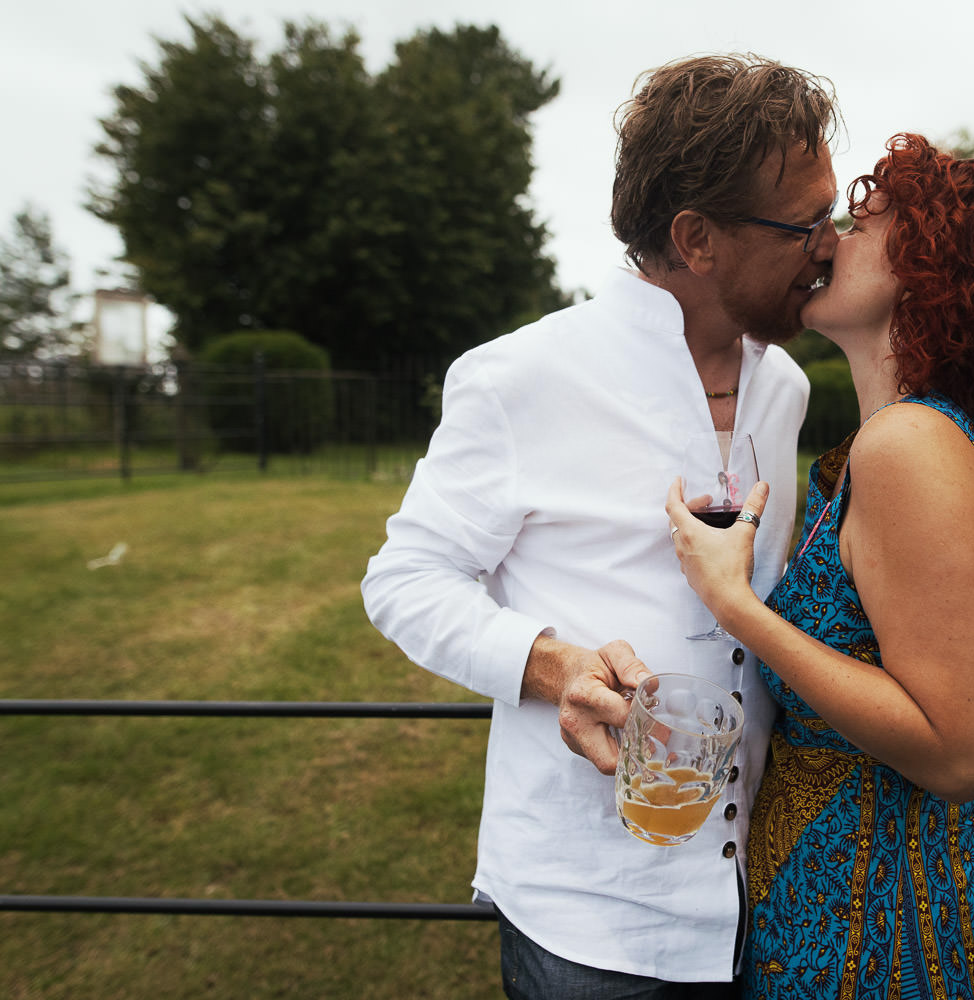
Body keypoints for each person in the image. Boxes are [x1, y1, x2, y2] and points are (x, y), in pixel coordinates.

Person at [361, 54, 840, 997]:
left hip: (762, 896)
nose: (831, 246)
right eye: (805, 224)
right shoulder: (519, 378)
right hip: (591, 918)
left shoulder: (782, 387)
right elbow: (403, 581)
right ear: (697, 237)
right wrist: (552, 665)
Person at [666, 134, 974, 999]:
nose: (825, 239)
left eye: (862, 223)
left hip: (890, 943)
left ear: (930, 269)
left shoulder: (911, 447)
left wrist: (734, 603)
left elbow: (953, 752)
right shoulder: (889, 443)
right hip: (838, 924)